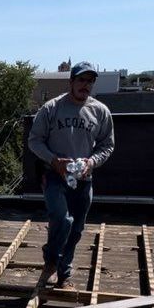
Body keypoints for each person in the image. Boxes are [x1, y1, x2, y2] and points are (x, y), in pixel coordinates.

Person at [28, 61, 114, 290]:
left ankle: (63, 274)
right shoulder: (51, 108)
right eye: (81, 80)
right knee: (62, 219)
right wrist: (54, 160)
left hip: (84, 179)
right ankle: (52, 261)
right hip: (54, 175)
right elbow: (34, 141)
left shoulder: (100, 111)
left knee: (76, 229)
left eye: (90, 81)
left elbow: (107, 145)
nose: (85, 85)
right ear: (71, 82)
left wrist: (91, 162)